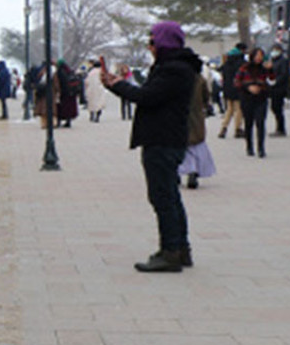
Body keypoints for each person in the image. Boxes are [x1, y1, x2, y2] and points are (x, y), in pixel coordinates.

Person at [101, 21, 199, 273]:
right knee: (170, 197)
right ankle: (179, 248)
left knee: (163, 197)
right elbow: (148, 94)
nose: (150, 47)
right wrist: (117, 86)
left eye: (153, 42)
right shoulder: (175, 67)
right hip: (167, 138)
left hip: (163, 140)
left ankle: (170, 253)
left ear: (164, 43)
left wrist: (116, 85)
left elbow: (147, 97)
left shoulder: (174, 69)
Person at [177, 71, 216, 189]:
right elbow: (206, 96)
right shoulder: (198, 78)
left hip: (177, 115)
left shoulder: (173, 75)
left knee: (178, 146)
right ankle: (192, 171)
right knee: (195, 145)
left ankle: (177, 172)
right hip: (196, 116)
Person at [234, 47, 273, 158]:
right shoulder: (244, 68)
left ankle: (261, 148)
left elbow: (272, 80)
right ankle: (249, 146)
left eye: (261, 55)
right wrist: (248, 87)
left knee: (260, 123)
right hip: (247, 99)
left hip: (261, 98)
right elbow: (237, 82)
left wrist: (271, 70)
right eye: (257, 55)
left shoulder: (264, 69)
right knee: (249, 123)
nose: (259, 58)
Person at [217, 43, 246, 139]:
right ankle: (238, 129)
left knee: (229, 109)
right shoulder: (241, 62)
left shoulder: (226, 62)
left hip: (227, 89)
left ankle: (223, 128)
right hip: (237, 88)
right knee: (238, 109)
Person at [269, 44, 290, 137]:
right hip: (273, 88)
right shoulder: (273, 61)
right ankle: (279, 127)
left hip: (280, 88)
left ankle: (281, 129)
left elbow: (284, 74)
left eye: (276, 50)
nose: (274, 52)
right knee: (274, 108)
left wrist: (276, 81)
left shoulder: (283, 61)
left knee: (277, 108)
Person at [55, 59, 79, 128]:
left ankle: (59, 121)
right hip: (71, 92)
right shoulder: (69, 71)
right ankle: (68, 121)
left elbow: (61, 82)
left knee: (61, 107)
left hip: (64, 92)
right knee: (69, 108)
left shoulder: (60, 71)